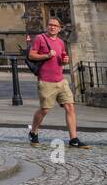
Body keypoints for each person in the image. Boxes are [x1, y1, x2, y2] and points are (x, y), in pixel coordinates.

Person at [27, 17, 90, 149]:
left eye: (55, 25)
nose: (52, 27)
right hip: (46, 81)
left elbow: (61, 59)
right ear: (47, 26)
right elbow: (31, 55)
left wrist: (65, 60)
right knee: (44, 109)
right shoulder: (40, 38)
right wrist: (46, 55)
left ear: (60, 28)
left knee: (70, 107)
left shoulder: (61, 42)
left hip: (61, 80)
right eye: (50, 25)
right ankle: (33, 132)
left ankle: (74, 139)